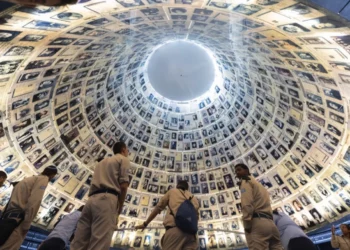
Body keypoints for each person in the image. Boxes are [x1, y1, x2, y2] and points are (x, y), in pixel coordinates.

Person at [71, 141, 130, 250]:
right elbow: (124, 186)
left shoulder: (101, 162)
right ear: (123, 150)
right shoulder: (123, 159)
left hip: (91, 200)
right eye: (127, 150)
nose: (128, 152)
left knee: (79, 242)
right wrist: (119, 210)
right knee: (99, 243)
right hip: (107, 199)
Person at [0, 166, 58, 249]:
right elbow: (34, 201)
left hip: (9, 216)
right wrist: (27, 223)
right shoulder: (43, 179)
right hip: (19, 220)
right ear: (52, 175)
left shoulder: (30, 179)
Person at [135, 180, 200, 250]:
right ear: (187, 188)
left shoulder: (172, 192)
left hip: (174, 232)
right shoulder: (194, 198)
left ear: (177, 186)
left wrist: (145, 224)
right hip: (192, 235)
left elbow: (158, 208)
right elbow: (196, 218)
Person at [234, 163, 283, 250]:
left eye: (239, 170)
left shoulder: (245, 182)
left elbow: (247, 204)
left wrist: (247, 225)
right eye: (236, 171)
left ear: (246, 170)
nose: (237, 173)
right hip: (271, 224)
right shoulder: (259, 185)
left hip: (257, 223)